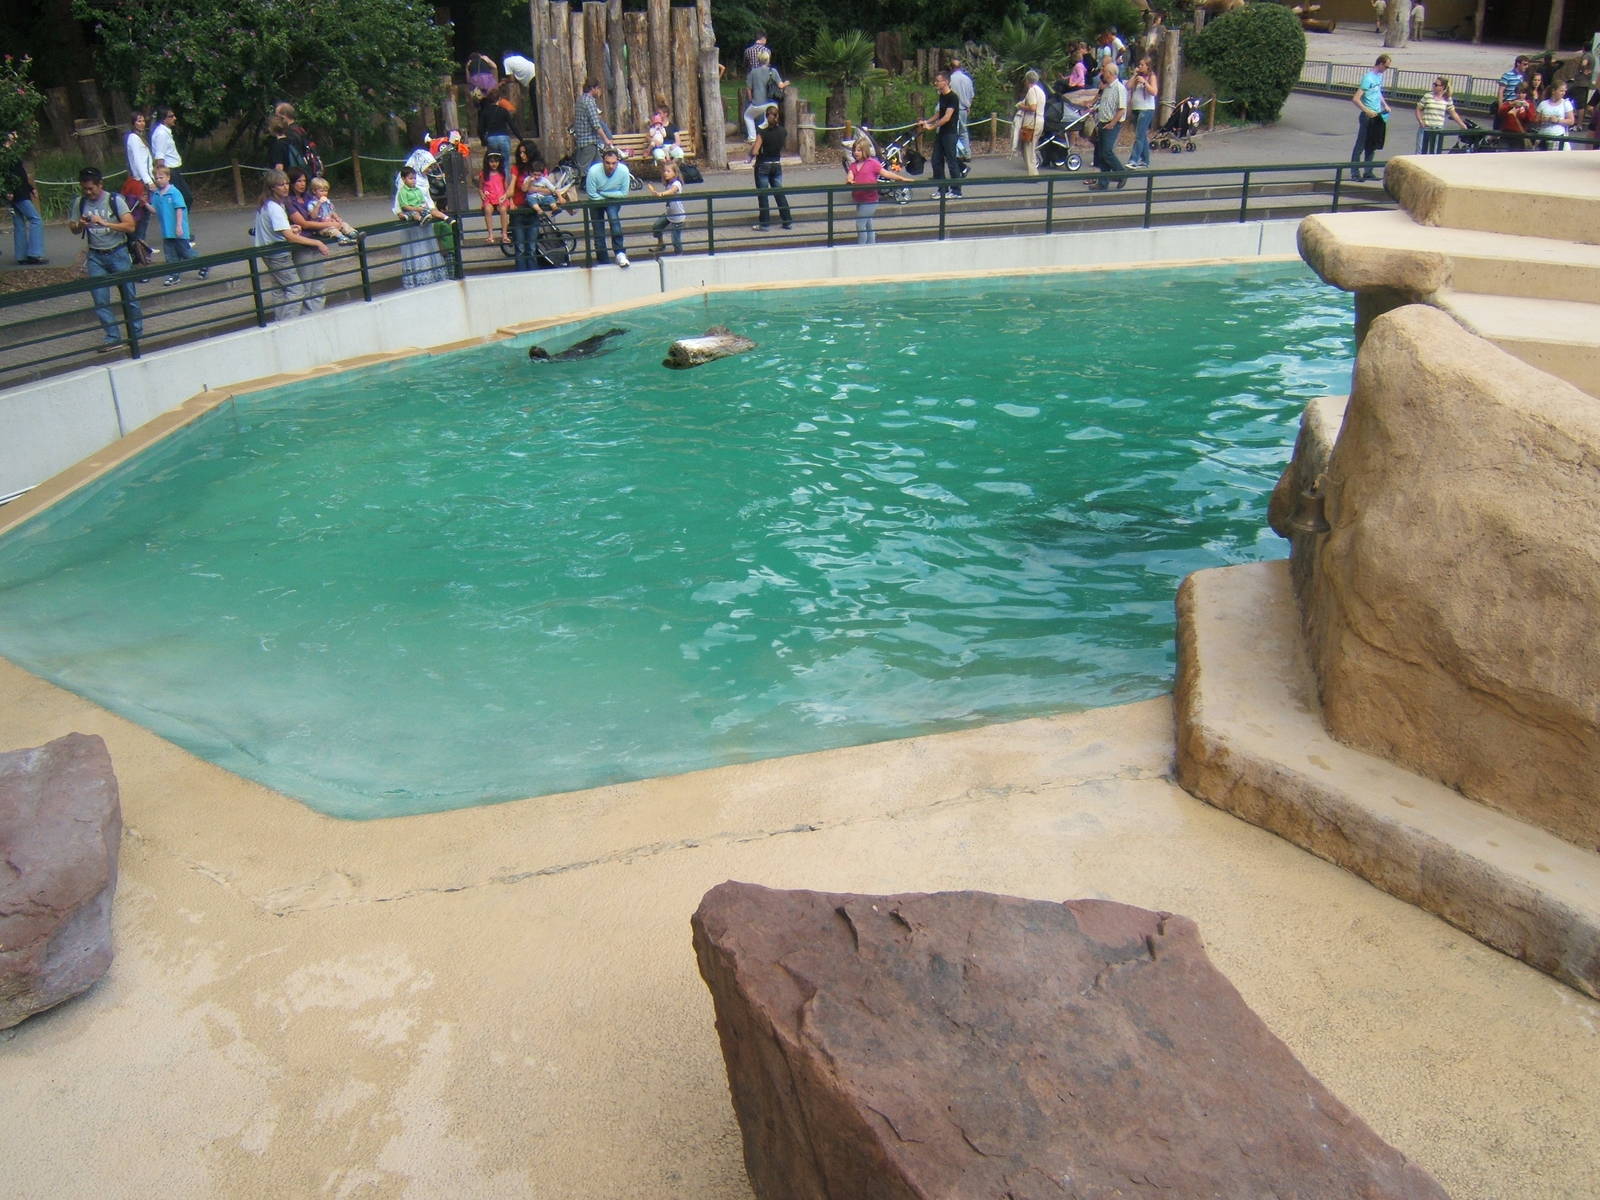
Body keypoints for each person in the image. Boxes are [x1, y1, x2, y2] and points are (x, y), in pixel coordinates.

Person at [68, 166, 143, 350]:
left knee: (128, 295)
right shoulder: (80, 202)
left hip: (118, 252)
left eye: (91, 188)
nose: (88, 192)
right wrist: (80, 225)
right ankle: (113, 337)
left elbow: (130, 226)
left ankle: (135, 332)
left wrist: (105, 223)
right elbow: (73, 228)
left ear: (100, 185)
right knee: (100, 299)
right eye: (84, 189)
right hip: (96, 255)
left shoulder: (114, 200)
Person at [284, 167, 334, 312]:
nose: (302, 184)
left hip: (316, 240)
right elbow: (304, 223)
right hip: (302, 243)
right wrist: (329, 224)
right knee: (306, 281)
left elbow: (323, 213)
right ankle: (306, 314)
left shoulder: (309, 198)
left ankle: (317, 311)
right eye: (299, 181)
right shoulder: (289, 202)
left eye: (304, 181)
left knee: (318, 282)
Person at [844, 134, 910, 245]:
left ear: (865, 151)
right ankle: (871, 244)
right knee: (868, 223)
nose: (856, 153)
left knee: (860, 223)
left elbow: (886, 173)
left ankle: (861, 246)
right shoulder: (854, 165)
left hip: (870, 200)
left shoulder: (872, 163)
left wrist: (901, 178)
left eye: (859, 150)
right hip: (859, 198)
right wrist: (850, 180)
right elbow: (850, 175)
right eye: (854, 150)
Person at [393, 161, 450, 287]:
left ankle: (430, 271)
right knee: (417, 248)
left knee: (427, 245)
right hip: (413, 213)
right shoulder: (403, 190)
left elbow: (424, 198)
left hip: (422, 210)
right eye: (410, 178)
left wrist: (425, 207)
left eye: (414, 178)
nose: (413, 181)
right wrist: (412, 210)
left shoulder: (420, 185)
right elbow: (402, 204)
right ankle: (418, 274)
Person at [149, 161, 203, 285]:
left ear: (168, 177)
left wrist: (179, 226)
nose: (158, 180)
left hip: (178, 230)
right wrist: (145, 203)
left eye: (161, 177)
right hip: (166, 231)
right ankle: (174, 275)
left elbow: (179, 209)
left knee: (186, 252)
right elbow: (154, 210)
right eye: (156, 178)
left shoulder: (174, 192)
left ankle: (203, 264)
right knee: (170, 255)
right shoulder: (156, 194)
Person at [584, 145, 632, 267]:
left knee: (614, 220)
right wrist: (607, 196)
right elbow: (591, 194)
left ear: (618, 162)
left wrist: (604, 194)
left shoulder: (623, 170)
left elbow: (624, 193)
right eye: (607, 163)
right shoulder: (593, 171)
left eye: (614, 163)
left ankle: (620, 253)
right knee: (598, 231)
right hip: (596, 201)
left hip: (611, 199)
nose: (611, 166)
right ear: (603, 161)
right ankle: (603, 260)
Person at [918, 72, 963, 198]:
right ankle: (942, 189)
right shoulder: (942, 96)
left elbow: (947, 117)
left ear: (946, 82)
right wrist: (927, 121)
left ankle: (956, 191)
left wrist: (932, 127)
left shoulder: (953, 97)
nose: (936, 83)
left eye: (938, 81)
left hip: (950, 133)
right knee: (936, 160)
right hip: (942, 133)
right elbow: (939, 113)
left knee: (951, 161)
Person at [4, 131, 47, 265]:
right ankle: (34, 253)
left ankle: (21, 256)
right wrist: (9, 190)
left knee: (19, 223)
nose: (15, 139)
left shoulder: (10, 154)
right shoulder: (5, 156)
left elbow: (20, 174)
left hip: (19, 191)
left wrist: (30, 188)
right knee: (36, 220)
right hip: (18, 193)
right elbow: (7, 176)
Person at [748, 104, 793, 229]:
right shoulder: (783, 131)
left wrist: (753, 149)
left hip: (763, 165)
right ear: (777, 116)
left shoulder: (762, 132)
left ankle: (764, 223)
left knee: (763, 195)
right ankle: (787, 220)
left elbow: (755, 151)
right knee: (779, 193)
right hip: (777, 164)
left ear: (766, 116)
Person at [1086, 60, 1128, 191]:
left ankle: (1121, 173)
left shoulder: (1119, 88)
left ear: (1110, 73)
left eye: (1104, 72)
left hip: (1111, 123)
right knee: (1101, 153)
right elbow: (1104, 104)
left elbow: (1121, 109)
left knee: (1107, 151)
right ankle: (1103, 182)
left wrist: (1112, 123)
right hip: (1102, 122)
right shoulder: (1106, 87)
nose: (1102, 74)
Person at [1351, 54, 1390, 182]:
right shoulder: (1368, 78)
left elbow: (1378, 92)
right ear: (1380, 64)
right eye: (1386, 66)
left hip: (1377, 114)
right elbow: (1356, 99)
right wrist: (1366, 110)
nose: (1386, 69)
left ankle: (1368, 171)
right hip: (1367, 116)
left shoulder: (1378, 77)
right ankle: (1355, 173)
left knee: (1372, 145)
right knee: (1360, 145)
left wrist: (1384, 104)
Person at [149, 107, 193, 210]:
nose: (174, 118)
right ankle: (176, 218)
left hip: (174, 170)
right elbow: (160, 156)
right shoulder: (161, 133)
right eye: (171, 116)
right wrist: (162, 175)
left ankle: (180, 217)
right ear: (164, 119)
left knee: (184, 198)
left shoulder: (166, 132)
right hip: (169, 170)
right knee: (184, 197)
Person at [123, 110, 155, 246]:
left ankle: (141, 243)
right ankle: (138, 243)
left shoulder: (140, 137)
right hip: (139, 181)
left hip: (145, 178)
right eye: (139, 121)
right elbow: (138, 162)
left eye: (143, 121)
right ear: (133, 123)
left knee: (145, 213)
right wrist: (148, 181)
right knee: (140, 213)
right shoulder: (133, 138)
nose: (142, 123)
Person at [477, 83, 519, 185]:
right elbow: (512, 126)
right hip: (503, 137)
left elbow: (480, 128)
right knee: (506, 162)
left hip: (491, 138)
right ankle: (506, 186)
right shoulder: (503, 111)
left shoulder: (485, 112)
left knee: (493, 162)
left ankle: (495, 184)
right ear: (499, 99)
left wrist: (483, 140)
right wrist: (520, 138)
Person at [745, 49, 788, 143]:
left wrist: (750, 99)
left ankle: (752, 137)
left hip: (757, 103)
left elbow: (749, 88)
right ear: (768, 59)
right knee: (768, 119)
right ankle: (764, 131)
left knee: (748, 116)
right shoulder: (773, 71)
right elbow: (781, 85)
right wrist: (787, 83)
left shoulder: (753, 72)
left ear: (758, 60)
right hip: (771, 103)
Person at [573, 79, 615, 176]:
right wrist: (606, 139)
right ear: (593, 88)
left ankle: (601, 183)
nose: (599, 91)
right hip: (589, 141)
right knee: (585, 170)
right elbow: (596, 124)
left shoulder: (580, 100)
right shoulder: (589, 102)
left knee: (599, 167)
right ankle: (585, 184)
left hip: (583, 140)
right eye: (598, 88)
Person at [1415, 78, 1465, 154]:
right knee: (1420, 151)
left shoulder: (1447, 98)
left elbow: (1453, 113)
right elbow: (1418, 109)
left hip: (1438, 129)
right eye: (1433, 84)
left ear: (1442, 87)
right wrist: (1420, 121)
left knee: (1435, 152)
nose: (1433, 86)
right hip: (1425, 128)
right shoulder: (1428, 96)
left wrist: (1462, 124)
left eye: (1436, 85)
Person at [648, 160, 687, 254]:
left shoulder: (676, 183)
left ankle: (679, 254)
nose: (665, 173)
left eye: (668, 171)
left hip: (677, 215)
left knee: (675, 239)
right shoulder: (668, 183)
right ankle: (661, 244)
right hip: (669, 213)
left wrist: (662, 194)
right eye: (664, 171)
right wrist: (656, 193)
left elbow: (672, 191)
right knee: (657, 226)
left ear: (675, 173)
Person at [1014, 69, 1047, 177]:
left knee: (1028, 148)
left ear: (1027, 80)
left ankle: (1033, 173)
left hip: (1032, 122)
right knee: (1029, 147)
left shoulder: (1032, 91)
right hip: (1040, 120)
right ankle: (1032, 172)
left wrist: (1021, 106)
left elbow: (1033, 107)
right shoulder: (1040, 91)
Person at [1128, 57, 1159, 168]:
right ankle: (1145, 160)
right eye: (1139, 65)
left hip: (1146, 109)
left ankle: (1133, 160)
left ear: (1148, 66)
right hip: (1136, 108)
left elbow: (1154, 92)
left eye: (1142, 65)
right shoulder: (1137, 77)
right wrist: (1134, 75)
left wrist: (1145, 83)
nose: (1140, 67)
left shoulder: (1151, 77)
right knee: (1142, 135)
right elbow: (1128, 86)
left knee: (1139, 135)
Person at [307, 177, 358, 244]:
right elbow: (313, 216)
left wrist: (337, 218)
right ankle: (342, 238)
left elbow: (332, 211)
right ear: (314, 191)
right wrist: (319, 204)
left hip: (331, 222)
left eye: (326, 191)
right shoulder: (312, 203)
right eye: (321, 191)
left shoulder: (327, 201)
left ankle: (352, 234)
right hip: (321, 228)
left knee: (343, 224)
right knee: (332, 230)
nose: (324, 193)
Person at [478, 149, 511, 242]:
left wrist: (508, 198)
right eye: (491, 161)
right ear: (487, 162)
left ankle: (504, 234)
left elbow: (506, 188)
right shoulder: (484, 174)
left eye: (496, 161)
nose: (494, 164)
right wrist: (481, 194)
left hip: (500, 197)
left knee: (503, 210)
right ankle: (490, 234)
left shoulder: (502, 173)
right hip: (489, 197)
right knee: (488, 210)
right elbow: (480, 187)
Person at [1536, 81, 1576, 149]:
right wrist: (1543, 119)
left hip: (1558, 137)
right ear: (1553, 91)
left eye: (1564, 91)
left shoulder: (1566, 103)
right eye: (1561, 91)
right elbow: (1536, 120)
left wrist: (1558, 120)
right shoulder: (1543, 104)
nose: (1563, 93)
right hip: (1543, 136)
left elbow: (1571, 121)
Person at [1496, 56, 1530, 130]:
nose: (1527, 66)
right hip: (1508, 105)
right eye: (1524, 64)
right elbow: (1501, 91)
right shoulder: (1507, 75)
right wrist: (1500, 107)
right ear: (1518, 64)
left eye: (1527, 64)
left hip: (1520, 108)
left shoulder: (1525, 77)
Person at [949, 57, 975, 151]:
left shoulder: (949, 79)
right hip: (964, 109)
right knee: (963, 132)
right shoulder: (968, 79)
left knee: (952, 132)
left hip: (951, 110)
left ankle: (956, 153)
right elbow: (971, 95)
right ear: (960, 67)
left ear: (951, 67)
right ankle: (966, 152)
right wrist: (969, 106)